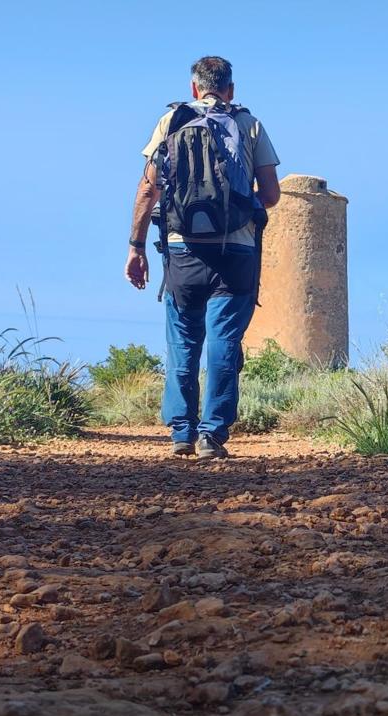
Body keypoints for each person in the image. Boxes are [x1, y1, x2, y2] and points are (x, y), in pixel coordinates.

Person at [125, 56, 280, 459]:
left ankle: (181, 433)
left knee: (183, 342)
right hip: (236, 252)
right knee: (224, 343)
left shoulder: (172, 122)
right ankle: (212, 434)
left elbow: (147, 191)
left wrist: (136, 247)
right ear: (230, 89)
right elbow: (272, 194)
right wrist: (241, 212)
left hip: (182, 251)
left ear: (195, 88)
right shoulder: (249, 125)